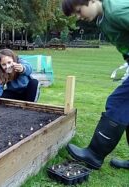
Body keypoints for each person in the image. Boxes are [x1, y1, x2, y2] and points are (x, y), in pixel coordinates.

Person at [62, 0, 129, 169]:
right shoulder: (103, 18)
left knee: (118, 103)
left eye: (79, 11)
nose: (79, 17)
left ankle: (94, 154)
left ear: (91, 1)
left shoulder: (115, 11)